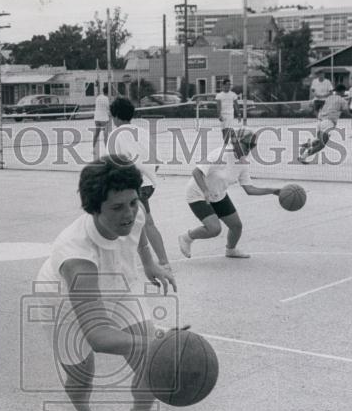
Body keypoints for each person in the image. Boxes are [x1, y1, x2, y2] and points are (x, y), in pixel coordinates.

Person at [35, 157, 177, 411]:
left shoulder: (132, 212)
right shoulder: (75, 253)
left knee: (150, 362)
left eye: (133, 203)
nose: (128, 214)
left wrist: (150, 264)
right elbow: (98, 336)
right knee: (81, 376)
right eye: (117, 207)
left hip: (119, 286)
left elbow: (138, 236)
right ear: (94, 208)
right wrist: (157, 341)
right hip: (64, 304)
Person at [178, 127, 282, 260]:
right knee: (214, 229)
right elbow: (196, 172)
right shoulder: (220, 154)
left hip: (218, 194)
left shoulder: (242, 163)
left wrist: (273, 191)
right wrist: (205, 191)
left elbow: (249, 189)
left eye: (252, 146)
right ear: (236, 142)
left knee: (236, 226)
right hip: (197, 193)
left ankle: (231, 250)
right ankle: (186, 238)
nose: (249, 149)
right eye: (246, 145)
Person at [105, 97, 173, 274]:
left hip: (131, 185)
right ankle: (163, 262)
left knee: (125, 223)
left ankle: (119, 264)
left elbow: (113, 165)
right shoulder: (142, 132)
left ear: (116, 116)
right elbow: (156, 161)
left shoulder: (115, 135)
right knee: (143, 223)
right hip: (148, 184)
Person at [298, 85, 349, 163]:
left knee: (318, 141)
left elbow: (316, 102)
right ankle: (303, 156)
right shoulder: (342, 101)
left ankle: (309, 143)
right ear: (343, 91)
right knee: (322, 145)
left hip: (320, 121)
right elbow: (346, 112)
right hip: (328, 123)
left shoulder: (329, 98)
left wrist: (316, 112)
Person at [215, 79, 239, 143]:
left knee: (228, 129)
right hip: (223, 114)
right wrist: (219, 115)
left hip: (230, 114)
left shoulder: (233, 94)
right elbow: (218, 106)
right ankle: (226, 142)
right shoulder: (219, 95)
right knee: (223, 130)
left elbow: (236, 105)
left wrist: (239, 114)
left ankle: (233, 142)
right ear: (223, 85)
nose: (228, 86)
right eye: (227, 84)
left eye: (229, 85)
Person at [92, 79, 111, 160]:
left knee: (96, 133)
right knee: (105, 135)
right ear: (108, 92)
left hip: (97, 118)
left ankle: (93, 148)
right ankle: (107, 150)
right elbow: (108, 108)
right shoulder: (107, 99)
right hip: (104, 118)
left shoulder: (98, 97)